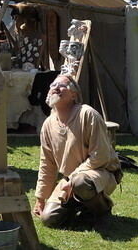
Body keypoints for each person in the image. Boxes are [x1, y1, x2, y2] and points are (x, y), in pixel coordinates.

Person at [33, 75, 121, 227]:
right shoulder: (47, 125)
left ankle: (102, 210)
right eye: (53, 84)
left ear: (74, 95)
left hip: (100, 173)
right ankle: (82, 207)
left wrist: (72, 179)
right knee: (49, 219)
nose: (56, 87)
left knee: (81, 183)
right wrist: (40, 199)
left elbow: (100, 157)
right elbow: (47, 164)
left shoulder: (87, 114)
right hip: (70, 180)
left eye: (62, 85)